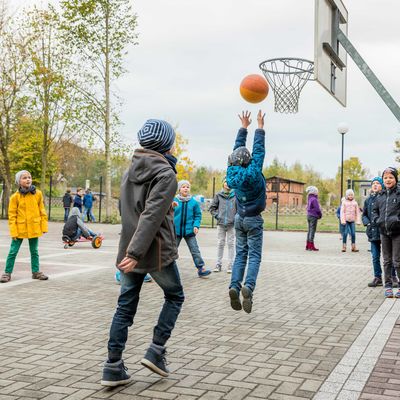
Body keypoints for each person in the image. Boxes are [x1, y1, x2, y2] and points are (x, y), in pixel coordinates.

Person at [101, 119, 185, 387]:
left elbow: (129, 210)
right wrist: (137, 252)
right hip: (153, 251)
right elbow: (150, 216)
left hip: (129, 249)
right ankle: (156, 351)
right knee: (175, 295)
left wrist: (130, 248)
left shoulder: (130, 170)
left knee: (124, 306)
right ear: (166, 144)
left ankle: (113, 367)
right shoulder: (166, 174)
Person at [226, 110, 266, 314]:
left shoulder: (231, 171)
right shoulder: (254, 172)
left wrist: (243, 128)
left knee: (240, 254)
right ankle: (248, 287)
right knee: (255, 256)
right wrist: (259, 127)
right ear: (249, 161)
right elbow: (258, 151)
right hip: (254, 220)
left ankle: (234, 285)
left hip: (239, 218)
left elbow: (236, 150)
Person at [0, 170, 48, 283]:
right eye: (24, 178)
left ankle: (36, 272)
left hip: (34, 227)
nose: (28, 179)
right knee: (13, 251)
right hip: (19, 229)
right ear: (19, 181)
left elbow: (42, 211)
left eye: (29, 177)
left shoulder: (38, 194)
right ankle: (7, 273)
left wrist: (44, 226)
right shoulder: (15, 197)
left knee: (34, 251)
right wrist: (13, 231)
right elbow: (12, 216)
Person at [362, 177, 397, 288]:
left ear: (382, 185)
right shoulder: (368, 200)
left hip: (385, 232)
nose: (375, 185)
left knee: (389, 257)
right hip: (373, 233)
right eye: (373, 183)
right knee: (375, 257)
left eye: (378, 183)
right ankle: (377, 277)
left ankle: (392, 277)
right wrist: (367, 223)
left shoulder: (384, 197)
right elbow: (365, 215)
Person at [174, 180, 211, 278]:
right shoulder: (174, 201)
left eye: (187, 187)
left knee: (195, 250)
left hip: (189, 231)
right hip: (176, 231)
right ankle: (166, 269)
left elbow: (198, 215)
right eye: (183, 187)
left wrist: (196, 225)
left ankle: (201, 268)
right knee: (171, 251)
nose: (186, 188)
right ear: (179, 189)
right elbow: (169, 214)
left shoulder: (193, 202)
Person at [372, 167, 400, 298]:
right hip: (384, 232)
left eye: (391, 177)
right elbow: (374, 211)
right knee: (387, 261)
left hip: (397, 232)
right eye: (385, 178)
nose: (388, 180)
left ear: (395, 179)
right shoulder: (380, 195)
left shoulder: (399, 193)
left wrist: (397, 221)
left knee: (397, 261)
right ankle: (388, 286)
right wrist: (378, 221)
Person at [209, 179, 236, 273]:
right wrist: (218, 216)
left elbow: (240, 209)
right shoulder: (218, 195)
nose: (228, 184)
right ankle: (218, 264)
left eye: (229, 182)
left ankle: (230, 265)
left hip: (232, 225)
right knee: (220, 243)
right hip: (220, 224)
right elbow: (212, 208)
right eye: (226, 182)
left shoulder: (236, 195)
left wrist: (235, 218)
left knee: (231, 244)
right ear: (223, 183)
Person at [305, 186, 322, 251]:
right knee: (312, 231)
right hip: (313, 217)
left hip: (309, 216)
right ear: (314, 192)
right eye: (316, 191)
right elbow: (317, 209)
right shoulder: (314, 199)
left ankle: (308, 245)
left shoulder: (309, 198)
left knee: (309, 231)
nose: (317, 192)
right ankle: (311, 246)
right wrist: (320, 214)